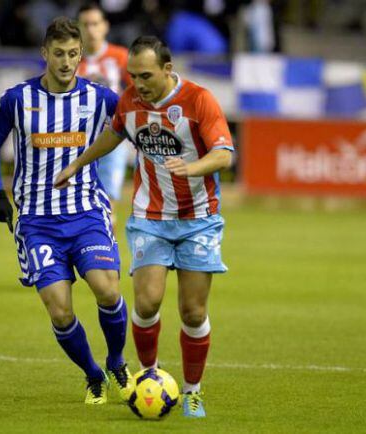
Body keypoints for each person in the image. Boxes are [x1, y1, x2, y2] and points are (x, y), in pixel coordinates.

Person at [54, 35, 234, 418]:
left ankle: (192, 392)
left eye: (146, 75)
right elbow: (113, 135)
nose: (139, 83)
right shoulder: (130, 102)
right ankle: (148, 376)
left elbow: (223, 155)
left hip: (198, 219)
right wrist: (77, 163)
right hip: (150, 218)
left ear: (168, 70)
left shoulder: (199, 100)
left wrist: (192, 167)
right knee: (148, 302)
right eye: (132, 76)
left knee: (192, 312)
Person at [0, 17, 132, 405]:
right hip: (37, 223)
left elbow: (135, 121)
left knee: (107, 289)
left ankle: (116, 361)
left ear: (81, 55)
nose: (66, 62)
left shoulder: (99, 98)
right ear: (44, 53)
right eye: (59, 54)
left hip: (86, 214)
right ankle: (93, 375)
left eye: (73, 54)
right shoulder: (17, 99)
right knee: (60, 310)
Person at [76, 3, 132, 208]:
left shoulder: (121, 57)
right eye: (86, 24)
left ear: (105, 26)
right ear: (78, 27)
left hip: (112, 139)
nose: (91, 29)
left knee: (107, 206)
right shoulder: (68, 60)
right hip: (77, 142)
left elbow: (138, 93)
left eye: (95, 23)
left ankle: (106, 241)